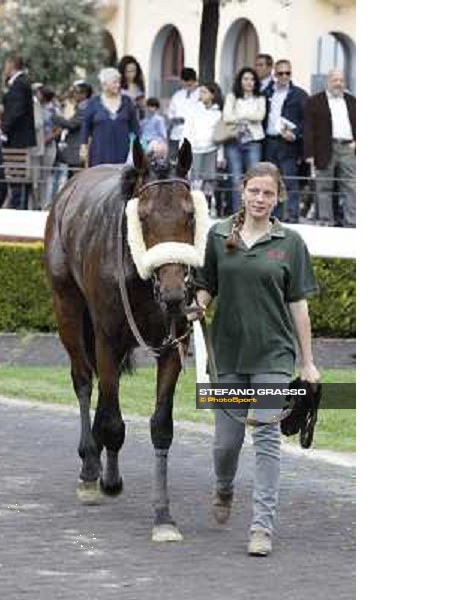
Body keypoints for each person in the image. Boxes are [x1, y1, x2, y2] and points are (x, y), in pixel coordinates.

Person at [189, 162, 320, 557]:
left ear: (278, 196)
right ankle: (224, 487)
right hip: (225, 356)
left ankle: (262, 526)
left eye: (268, 193)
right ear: (242, 191)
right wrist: (195, 308)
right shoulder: (216, 235)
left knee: (266, 438)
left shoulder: (290, 243)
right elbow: (207, 286)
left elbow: (298, 305)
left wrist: (307, 362)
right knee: (225, 444)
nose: (260, 199)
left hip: (274, 356)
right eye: (254, 191)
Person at [303, 68, 356, 227]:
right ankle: (326, 221)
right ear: (328, 82)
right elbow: (308, 129)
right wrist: (309, 154)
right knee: (323, 186)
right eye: (335, 80)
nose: (338, 84)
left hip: (348, 148)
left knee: (351, 186)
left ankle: (351, 223)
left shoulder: (352, 101)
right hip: (324, 148)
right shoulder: (314, 101)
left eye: (341, 80)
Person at [263, 59, 309, 223]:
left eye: (287, 73)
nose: (284, 76)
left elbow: (307, 120)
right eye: (280, 73)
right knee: (270, 182)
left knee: (289, 180)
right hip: (269, 142)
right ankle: (273, 216)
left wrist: (295, 133)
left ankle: (292, 217)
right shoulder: (267, 92)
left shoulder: (300, 94)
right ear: (275, 74)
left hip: (288, 144)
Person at [222, 67, 267, 213]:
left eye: (252, 79)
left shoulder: (260, 97)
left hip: (253, 141)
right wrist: (248, 116)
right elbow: (227, 117)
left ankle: (252, 213)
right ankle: (238, 213)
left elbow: (260, 116)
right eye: (245, 79)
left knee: (253, 180)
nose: (249, 82)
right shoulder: (232, 96)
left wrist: (240, 116)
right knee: (236, 180)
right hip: (234, 141)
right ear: (240, 81)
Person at [79, 67, 139, 167]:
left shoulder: (127, 102)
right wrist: (83, 146)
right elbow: (85, 126)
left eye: (118, 82)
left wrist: (139, 148)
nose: (118, 85)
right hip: (99, 154)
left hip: (122, 153)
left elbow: (135, 128)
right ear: (104, 84)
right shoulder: (93, 103)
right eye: (114, 82)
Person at [182, 82, 224, 215]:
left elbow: (220, 135)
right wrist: (184, 151)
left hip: (211, 150)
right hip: (195, 150)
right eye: (200, 92)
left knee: (210, 182)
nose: (201, 95)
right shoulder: (194, 110)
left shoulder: (218, 113)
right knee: (195, 182)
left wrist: (221, 156)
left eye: (205, 92)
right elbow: (187, 131)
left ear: (212, 95)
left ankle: (209, 209)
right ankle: (194, 209)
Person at [2, 54, 37, 209]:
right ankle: (18, 203)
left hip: (17, 138)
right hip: (20, 137)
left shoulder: (19, 84)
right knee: (18, 173)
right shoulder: (22, 82)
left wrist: (4, 129)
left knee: (17, 173)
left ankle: (18, 205)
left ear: (11, 65)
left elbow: (16, 110)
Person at [53, 81, 93, 180]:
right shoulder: (80, 106)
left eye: (76, 92)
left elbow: (72, 124)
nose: (74, 95)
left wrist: (55, 117)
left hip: (78, 149)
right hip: (74, 148)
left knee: (76, 179)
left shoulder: (85, 107)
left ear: (84, 94)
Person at [167, 67, 200, 161]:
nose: (188, 84)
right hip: (176, 134)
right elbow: (170, 113)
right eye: (185, 82)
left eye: (191, 82)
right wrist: (175, 119)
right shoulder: (177, 95)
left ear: (195, 80)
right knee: (173, 161)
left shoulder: (200, 94)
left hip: (193, 135)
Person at [118, 55, 146, 121]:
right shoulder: (118, 86)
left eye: (134, 71)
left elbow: (142, 106)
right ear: (123, 71)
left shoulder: (139, 85)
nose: (132, 74)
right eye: (129, 71)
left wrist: (142, 104)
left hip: (137, 119)